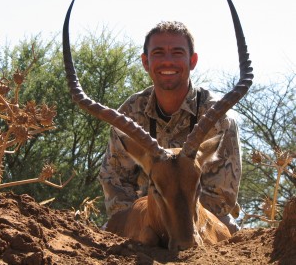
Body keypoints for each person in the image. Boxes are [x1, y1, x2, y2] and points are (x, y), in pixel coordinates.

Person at [98, 21, 241, 234]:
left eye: (177, 52)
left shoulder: (218, 117)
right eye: (158, 53)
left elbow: (219, 198)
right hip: (144, 222)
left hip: (200, 220)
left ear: (192, 61)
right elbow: (116, 182)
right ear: (145, 62)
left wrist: (178, 225)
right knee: (105, 237)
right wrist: (149, 222)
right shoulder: (130, 112)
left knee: (230, 233)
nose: (167, 61)